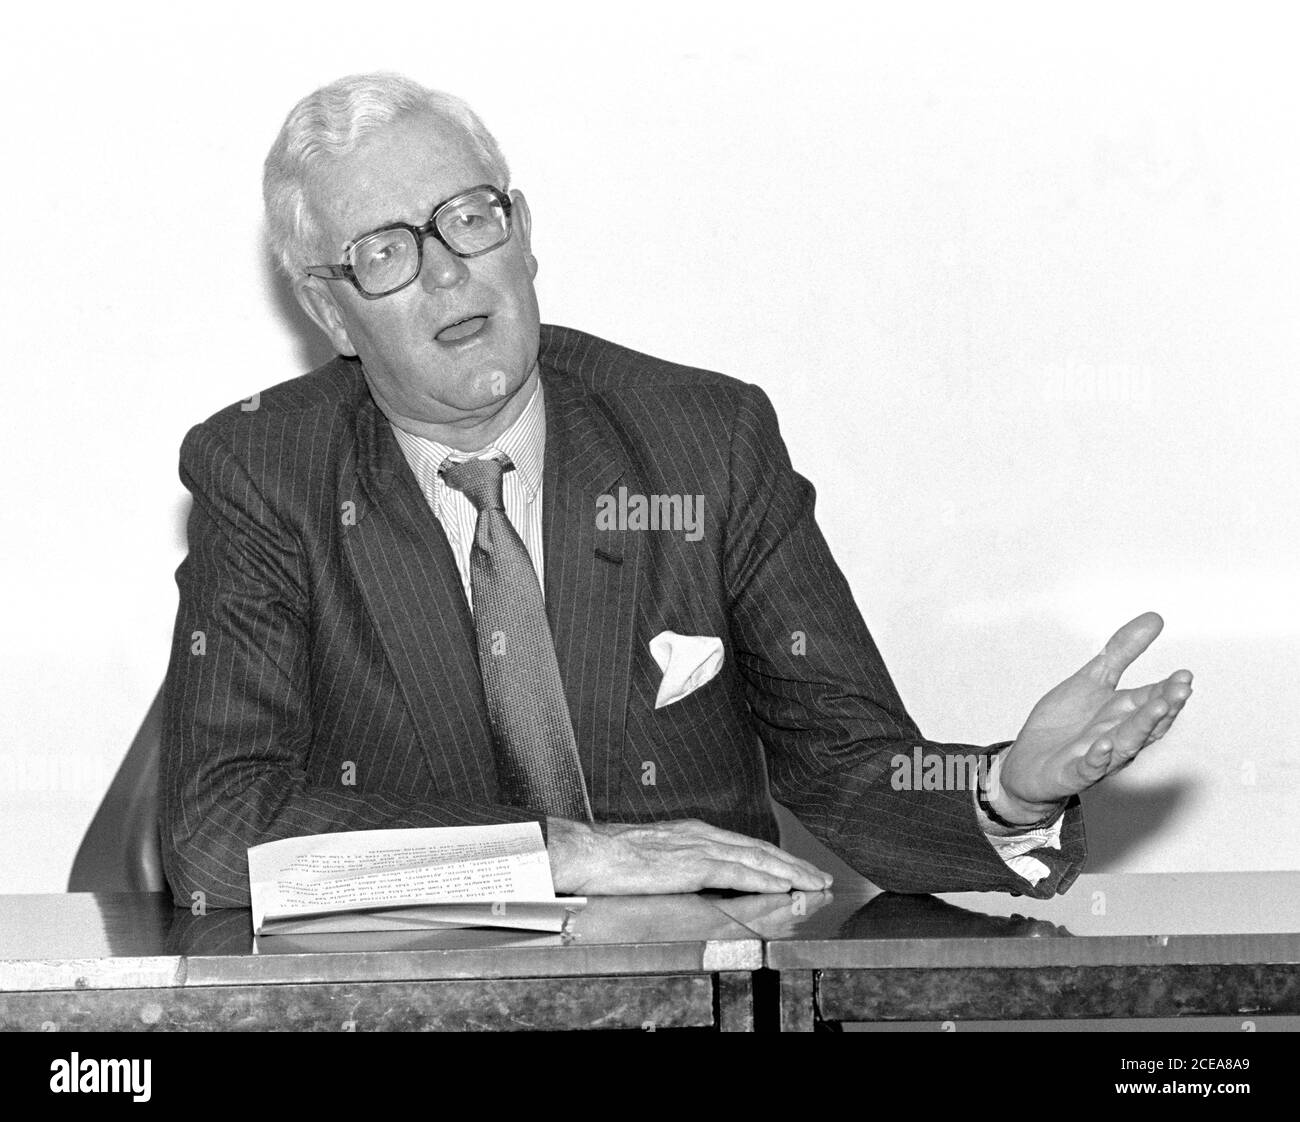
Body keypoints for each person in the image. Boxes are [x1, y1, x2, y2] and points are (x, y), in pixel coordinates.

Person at [159, 72, 1193, 908]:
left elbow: (846, 760)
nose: (445, 274)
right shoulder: (264, 473)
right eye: (385, 251)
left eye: (469, 219)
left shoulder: (703, 439)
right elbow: (215, 833)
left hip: (704, 1001)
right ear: (331, 314)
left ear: (522, 236)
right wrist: (549, 855)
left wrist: (1007, 788)